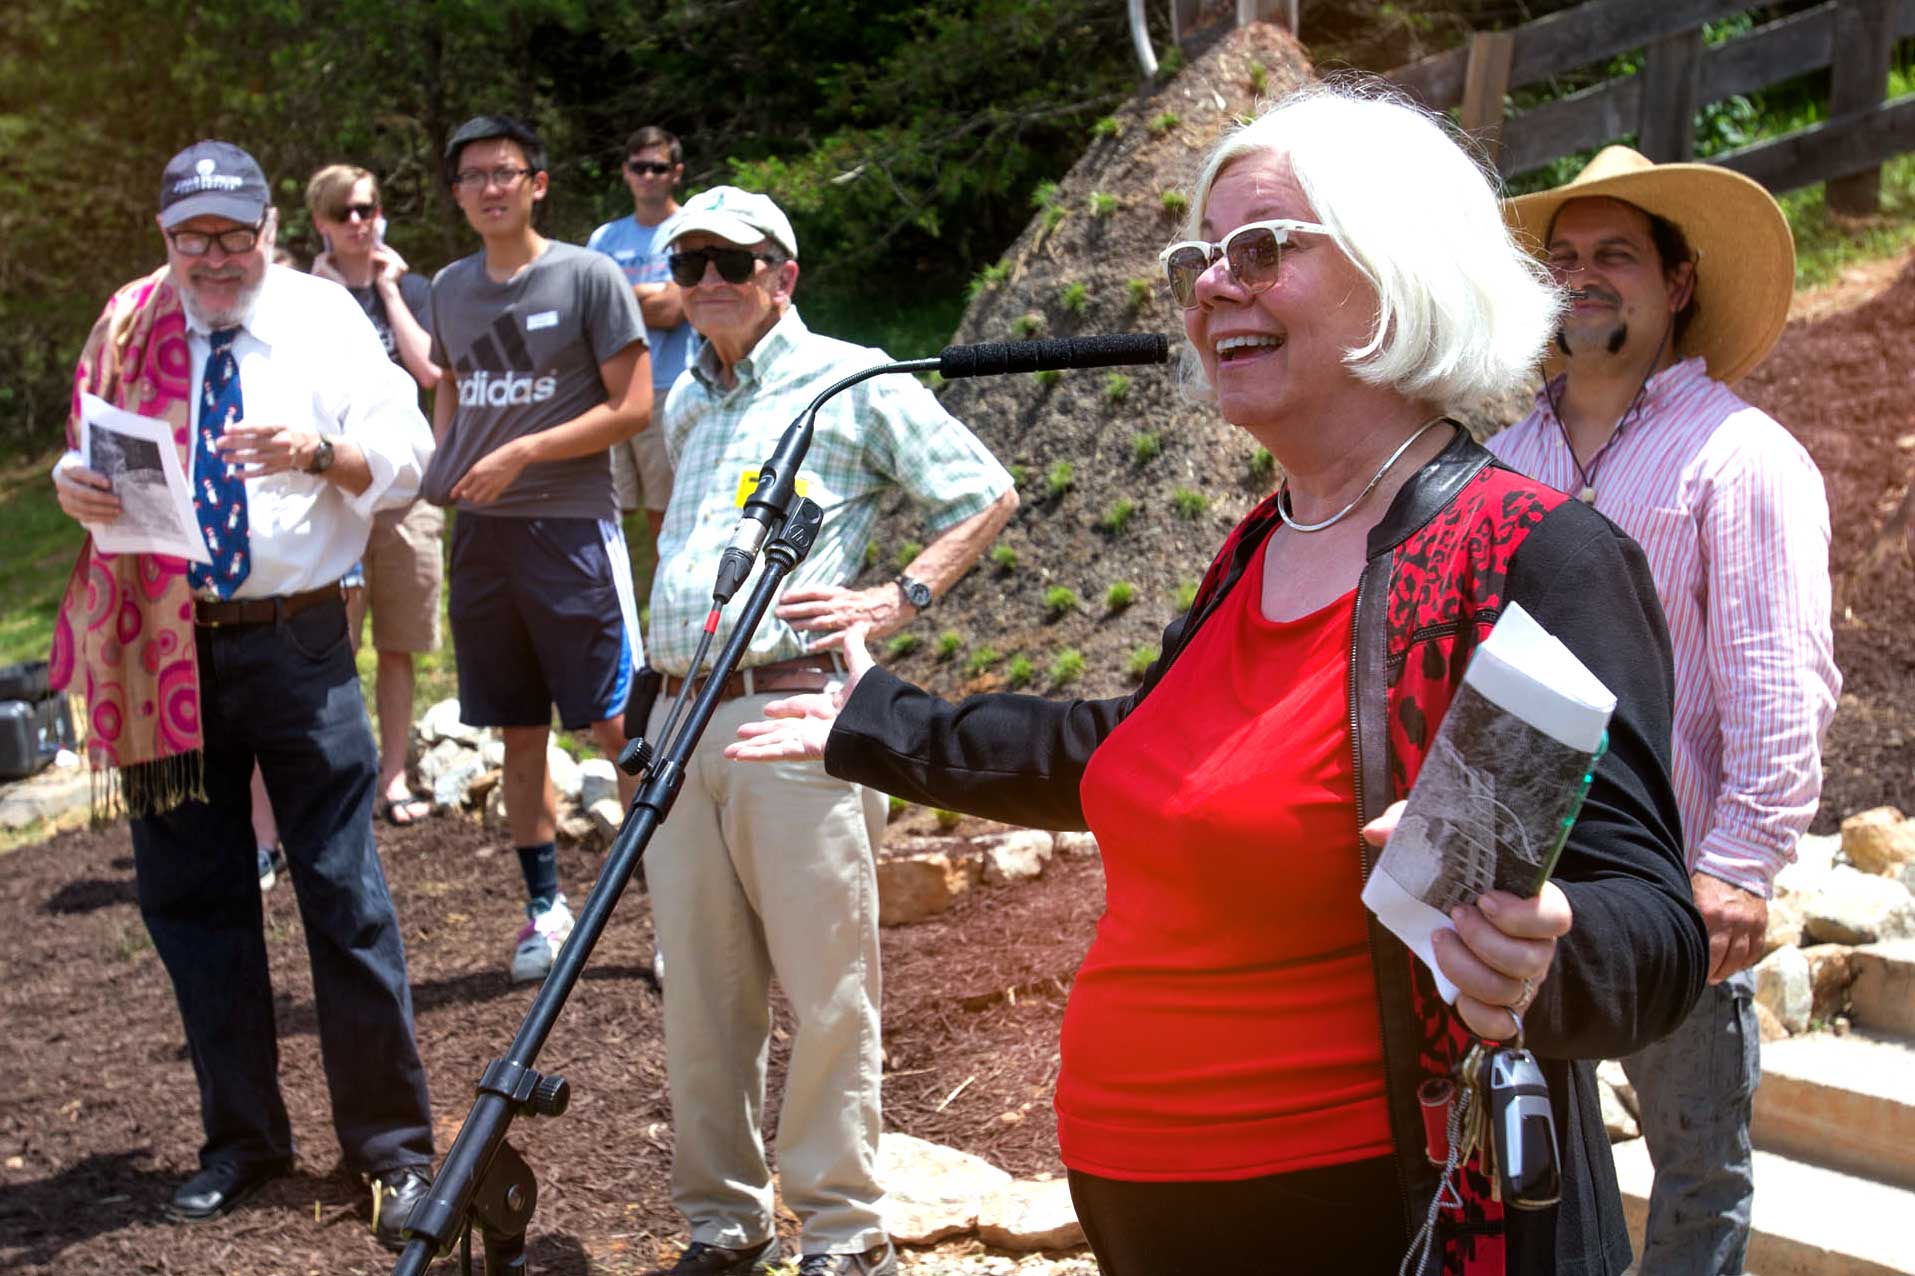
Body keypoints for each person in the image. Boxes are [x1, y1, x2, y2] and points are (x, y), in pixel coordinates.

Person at [725, 86, 1710, 1276]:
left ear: (1399, 269)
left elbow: (1653, 929)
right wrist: (880, 723)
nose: (1206, 284)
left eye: (1260, 248)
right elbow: (1139, 753)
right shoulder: (1264, 539)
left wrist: (1551, 944)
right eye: (1198, 254)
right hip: (1156, 1212)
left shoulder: (1530, 553)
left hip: (1374, 1217)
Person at [46, 140, 435, 1246]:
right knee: (195, 907)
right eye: (191, 237)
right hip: (162, 650)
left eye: (234, 234)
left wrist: (321, 452)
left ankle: (392, 1152)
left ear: (268, 228)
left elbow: (409, 451)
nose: (214, 256)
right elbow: (92, 449)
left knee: (343, 897)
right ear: (163, 237)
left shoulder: (319, 318)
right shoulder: (128, 319)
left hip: (297, 641)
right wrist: (77, 483)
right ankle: (245, 1138)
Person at [641, 185, 1017, 1276]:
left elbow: (982, 491)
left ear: (782, 274)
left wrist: (896, 598)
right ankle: (723, 1221)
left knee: (827, 987)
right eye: (690, 260)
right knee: (702, 995)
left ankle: (846, 1233)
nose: (708, 278)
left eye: (732, 259)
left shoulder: (852, 377)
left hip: (798, 709)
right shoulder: (685, 403)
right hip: (681, 718)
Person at [1491, 146, 1841, 1275]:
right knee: (1529, 1156)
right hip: (1518, 883)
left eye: (1616, 256)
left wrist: (1742, 863)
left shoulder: (1739, 460)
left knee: (1696, 1171)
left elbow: (1778, 674)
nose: (1584, 277)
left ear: (1676, 281)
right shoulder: (1501, 459)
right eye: (1566, 258)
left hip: (1679, 884)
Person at [421, 115, 652, 983]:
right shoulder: (448, 287)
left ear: (537, 183)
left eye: (505, 173)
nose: (489, 188)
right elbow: (452, 385)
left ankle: (670, 908)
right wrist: (445, 464)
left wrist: (523, 450)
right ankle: (543, 913)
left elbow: (633, 408)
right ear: (457, 193)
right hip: (481, 539)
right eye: (473, 175)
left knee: (614, 723)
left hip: (571, 529)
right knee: (517, 730)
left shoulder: (588, 277)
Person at [308, 162, 446, 827]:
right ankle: (336, 779)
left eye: (367, 209)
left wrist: (390, 292)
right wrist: (325, 293)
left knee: (398, 642)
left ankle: (392, 777)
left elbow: (428, 371)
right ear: (321, 225)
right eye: (344, 214)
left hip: (404, 492)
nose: (359, 223)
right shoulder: (298, 297)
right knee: (330, 642)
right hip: (330, 489)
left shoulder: (410, 287)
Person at [587, 125, 696, 549]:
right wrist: (648, 293)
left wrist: (617, 299)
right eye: (639, 167)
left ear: (676, 172)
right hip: (609, 390)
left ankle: (669, 609)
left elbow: (671, 312)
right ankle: (614, 606)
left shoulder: (690, 231)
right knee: (606, 509)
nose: (648, 176)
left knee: (664, 513)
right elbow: (588, 312)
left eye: (658, 167)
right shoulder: (605, 238)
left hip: (667, 388)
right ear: (626, 172)